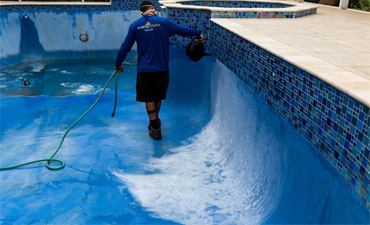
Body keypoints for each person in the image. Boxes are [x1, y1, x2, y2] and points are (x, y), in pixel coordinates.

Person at [114, 1, 204, 140]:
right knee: (158, 96)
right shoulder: (164, 22)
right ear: (152, 9)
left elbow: (125, 47)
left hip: (144, 70)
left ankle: (154, 124)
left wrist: (118, 64)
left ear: (142, 11)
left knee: (148, 98)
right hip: (161, 69)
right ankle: (155, 122)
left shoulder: (135, 25)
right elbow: (183, 30)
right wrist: (198, 33)